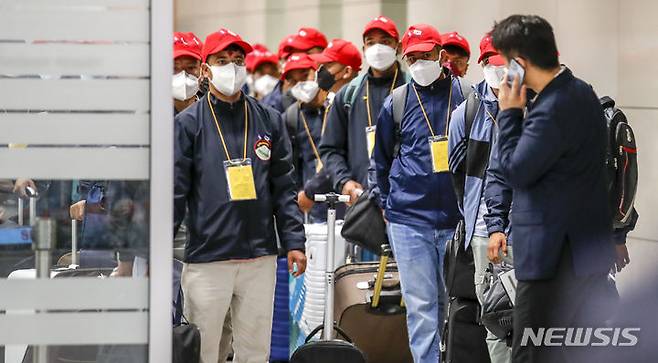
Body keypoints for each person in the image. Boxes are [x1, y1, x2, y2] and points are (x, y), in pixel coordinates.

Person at [490, 15, 630, 362]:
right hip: (586, 253)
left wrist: (509, 113)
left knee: (531, 353)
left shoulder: (550, 109)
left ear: (519, 63)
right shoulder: (583, 92)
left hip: (552, 259)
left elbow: (515, 171)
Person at [174, 28, 307, 363]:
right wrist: (158, 250)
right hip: (208, 258)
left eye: (237, 60)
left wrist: (294, 241)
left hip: (259, 257)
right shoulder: (189, 124)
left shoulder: (269, 119)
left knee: (254, 352)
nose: (231, 68)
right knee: (205, 352)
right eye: (222, 60)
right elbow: (175, 192)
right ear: (206, 69)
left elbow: (283, 186)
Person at [373, 24, 466, 363]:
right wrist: (387, 204)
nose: (419, 62)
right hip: (409, 220)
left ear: (441, 56)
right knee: (422, 306)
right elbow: (379, 163)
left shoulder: (466, 96)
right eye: (412, 57)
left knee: (456, 303)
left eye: (425, 56)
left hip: (458, 221)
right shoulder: (396, 102)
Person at [448, 33, 512, 363]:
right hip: (486, 233)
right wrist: (475, 214)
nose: (502, 75)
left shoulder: (532, 103)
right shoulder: (468, 112)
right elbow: (457, 172)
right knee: (497, 318)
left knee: (537, 322)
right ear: (483, 65)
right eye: (495, 67)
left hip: (530, 230)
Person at [319, 16, 408, 206]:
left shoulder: (413, 88)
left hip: (408, 202)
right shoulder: (349, 95)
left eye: (385, 42)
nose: (378, 48)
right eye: (371, 43)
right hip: (363, 200)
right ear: (364, 50)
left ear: (398, 48)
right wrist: (344, 181)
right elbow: (330, 149)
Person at [263, 28, 328, 113]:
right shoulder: (275, 103)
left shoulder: (337, 93)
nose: (301, 60)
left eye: (307, 53)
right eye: (296, 55)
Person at [173, 32, 203, 115]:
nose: (183, 75)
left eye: (190, 67)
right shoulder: (153, 113)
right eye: (174, 68)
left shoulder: (211, 111)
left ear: (202, 70)